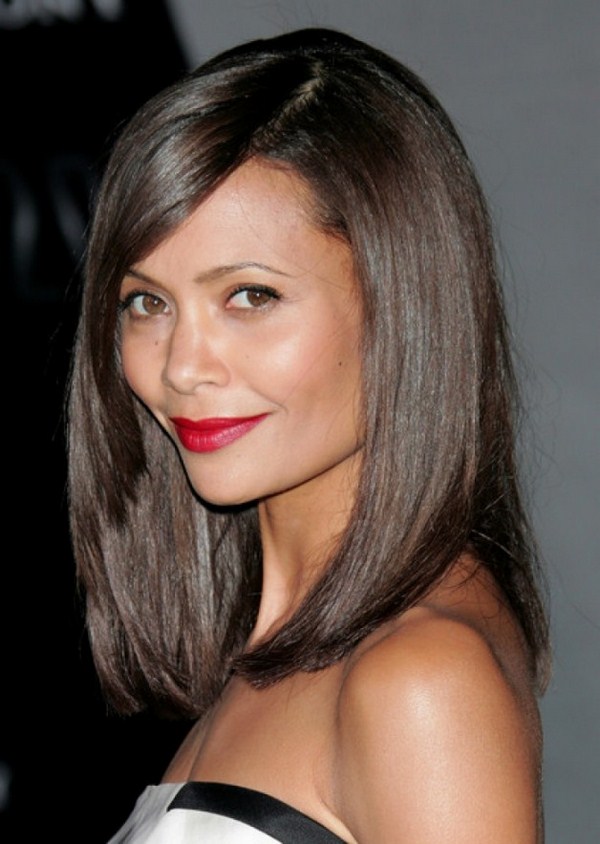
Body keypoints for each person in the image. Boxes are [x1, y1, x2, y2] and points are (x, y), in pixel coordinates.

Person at [66, 27, 550, 843]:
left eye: (250, 296)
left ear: (400, 305)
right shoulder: (285, 655)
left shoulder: (420, 681)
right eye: (147, 302)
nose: (182, 366)